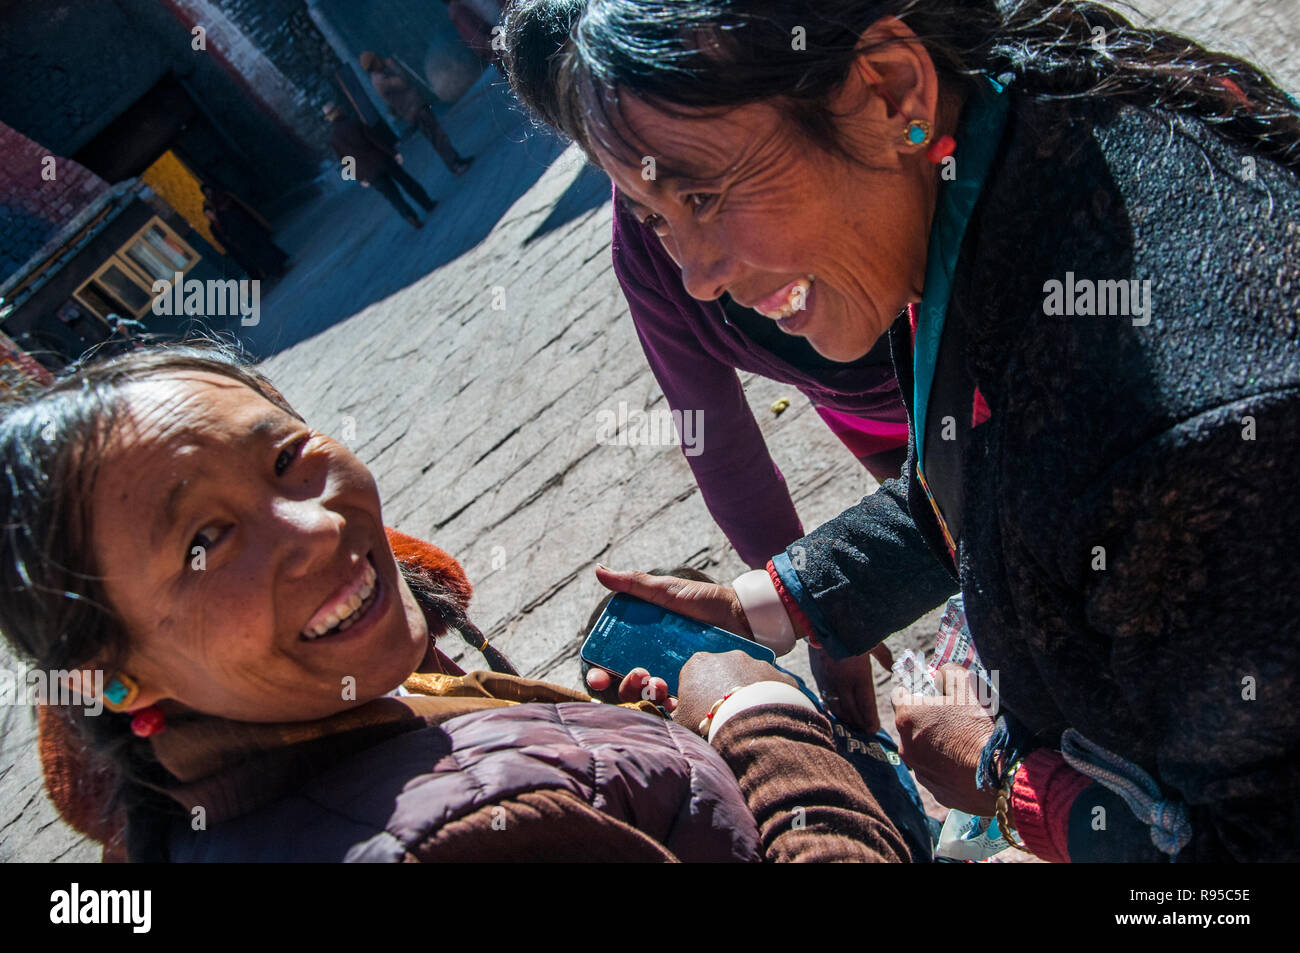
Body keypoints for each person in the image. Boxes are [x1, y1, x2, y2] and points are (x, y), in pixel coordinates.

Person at [503, 0, 1300, 862]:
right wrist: (775, 603)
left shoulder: (1184, 442)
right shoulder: (992, 157)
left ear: (889, 88)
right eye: (657, 218)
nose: (696, 277)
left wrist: (1013, 782)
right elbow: (983, 491)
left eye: (704, 194)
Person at [0, 342, 917, 863]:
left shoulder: (333, 718)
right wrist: (756, 715)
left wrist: (628, 744)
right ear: (111, 676)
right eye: (205, 541)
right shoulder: (450, 841)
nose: (316, 528)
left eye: (285, 457)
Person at [359, 51, 475, 176]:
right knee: (437, 138)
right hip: (414, 111)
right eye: (376, 58)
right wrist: (394, 67)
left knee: (439, 135)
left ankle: (457, 159)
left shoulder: (382, 75)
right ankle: (454, 166)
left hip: (416, 106)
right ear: (373, 63)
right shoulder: (380, 80)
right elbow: (403, 82)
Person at [324, 102, 437, 228]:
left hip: (369, 173)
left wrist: (360, 178)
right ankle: (427, 204)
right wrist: (394, 153)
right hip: (382, 160)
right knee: (407, 182)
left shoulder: (334, 138)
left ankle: (409, 216)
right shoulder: (354, 123)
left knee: (393, 196)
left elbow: (345, 161)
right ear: (339, 110)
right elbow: (375, 140)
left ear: (329, 118)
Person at [200, 185, 289, 281]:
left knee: (263, 248)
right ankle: (273, 270)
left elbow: (241, 211)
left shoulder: (225, 201)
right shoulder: (217, 219)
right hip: (239, 236)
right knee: (258, 254)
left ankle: (277, 268)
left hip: (245, 228)